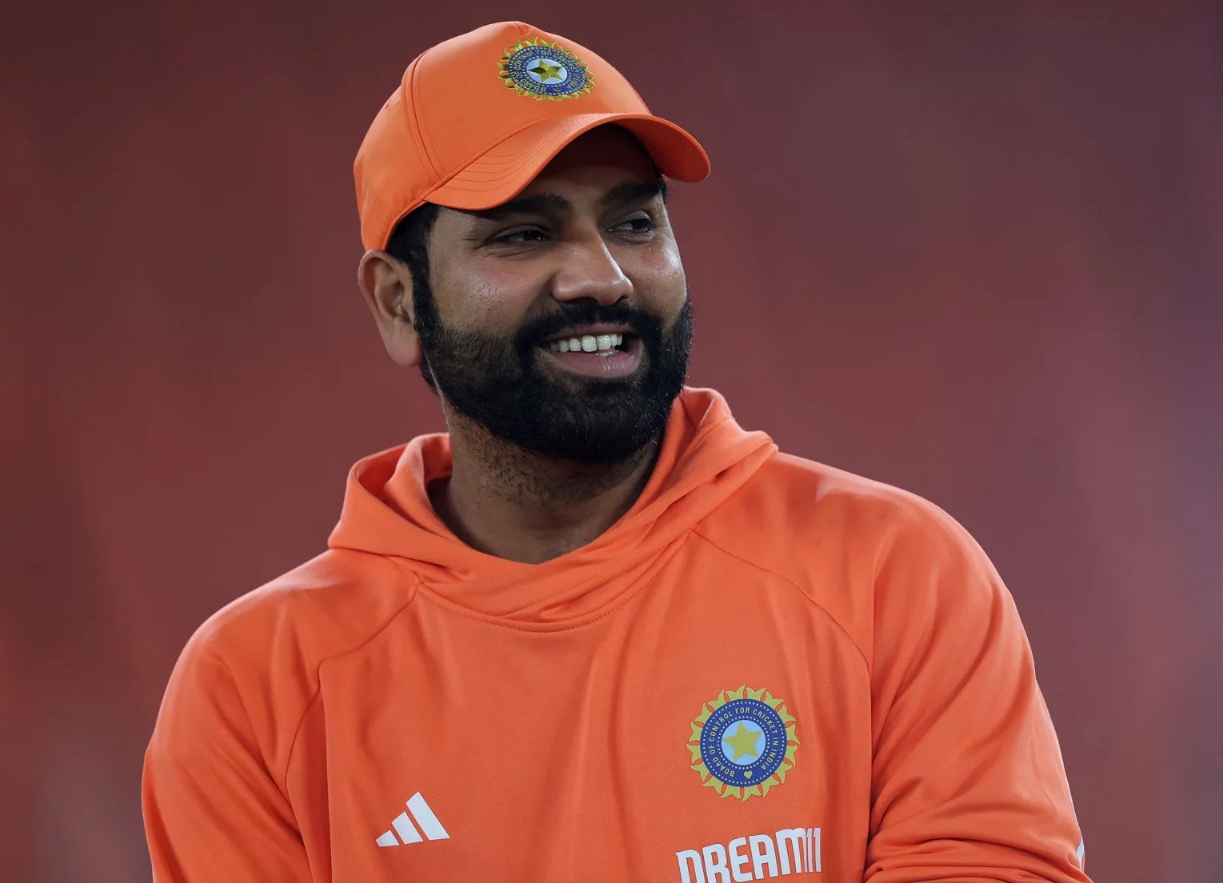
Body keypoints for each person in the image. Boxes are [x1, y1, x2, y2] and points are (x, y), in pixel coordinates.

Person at [142, 20, 1092, 883]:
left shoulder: (892, 574)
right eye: (524, 234)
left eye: (634, 222)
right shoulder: (256, 688)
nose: (600, 277)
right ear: (398, 303)